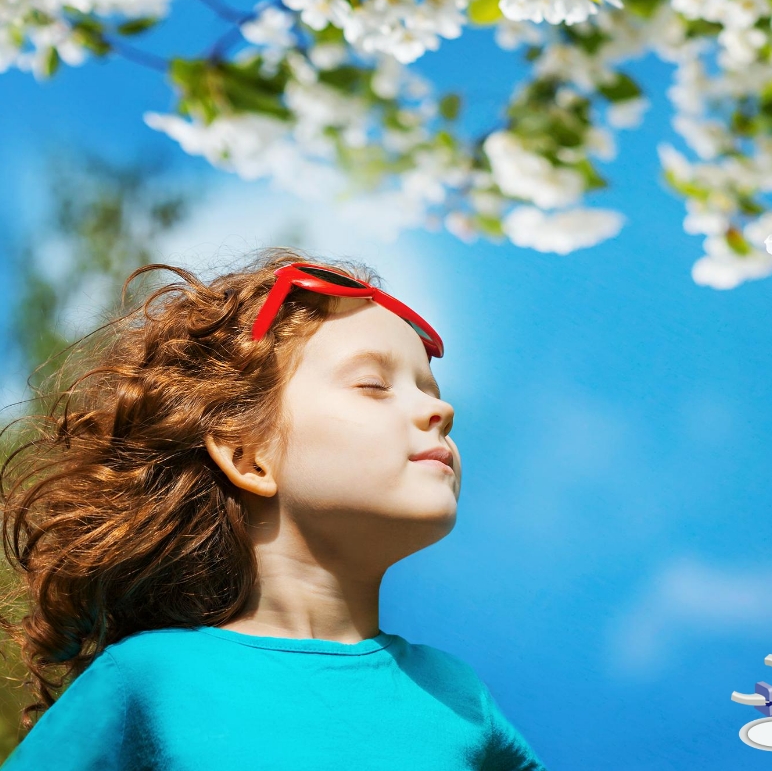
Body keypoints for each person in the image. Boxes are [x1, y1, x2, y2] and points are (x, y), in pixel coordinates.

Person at [0, 247, 547, 770]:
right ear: (247, 455)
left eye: (430, 388)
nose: (441, 409)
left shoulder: (458, 694)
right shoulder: (150, 678)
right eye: (373, 384)